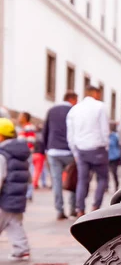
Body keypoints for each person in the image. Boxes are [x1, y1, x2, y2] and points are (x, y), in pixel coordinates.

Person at [67, 85, 109, 217]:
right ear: (95, 93)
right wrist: (106, 145)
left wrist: (74, 152)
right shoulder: (100, 106)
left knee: (82, 180)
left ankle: (80, 209)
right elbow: (104, 129)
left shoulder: (74, 109)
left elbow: (71, 134)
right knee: (102, 178)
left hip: (81, 149)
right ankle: (96, 206)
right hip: (98, 148)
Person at [43, 91, 78, 220]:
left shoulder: (51, 110)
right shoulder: (74, 110)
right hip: (69, 151)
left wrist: (46, 148)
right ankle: (73, 209)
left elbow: (45, 130)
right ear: (72, 99)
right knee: (73, 179)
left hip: (53, 151)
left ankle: (59, 210)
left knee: (56, 181)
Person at [0, 118, 31, 261]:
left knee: (9, 222)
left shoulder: (2, 155)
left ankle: (21, 249)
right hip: (18, 196)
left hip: (5, 197)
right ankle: (21, 249)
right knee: (14, 223)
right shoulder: (20, 152)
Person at [17, 112, 36, 202]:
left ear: (25, 118)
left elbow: (31, 141)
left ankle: (29, 193)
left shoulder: (28, 127)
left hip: (25, 154)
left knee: (28, 172)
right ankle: (27, 193)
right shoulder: (24, 127)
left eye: (20, 116)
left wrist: (25, 152)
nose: (19, 117)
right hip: (23, 153)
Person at [108, 122, 121, 192]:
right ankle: (106, 187)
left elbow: (119, 145)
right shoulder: (104, 136)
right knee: (105, 173)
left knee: (114, 173)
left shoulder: (115, 136)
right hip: (106, 157)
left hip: (114, 157)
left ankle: (116, 186)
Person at [32, 124, 46, 189]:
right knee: (38, 170)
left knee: (34, 170)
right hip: (40, 154)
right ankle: (34, 183)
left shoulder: (34, 136)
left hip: (33, 154)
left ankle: (35, 183)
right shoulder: (42, 137)